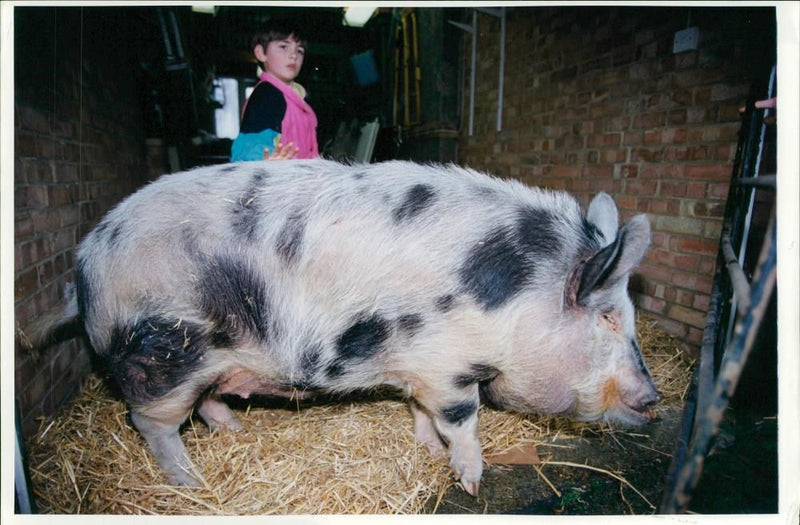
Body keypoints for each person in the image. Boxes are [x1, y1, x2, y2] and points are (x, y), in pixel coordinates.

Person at [231, 23, 319, 161]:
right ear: (261, 53)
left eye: (300, 50)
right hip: (278, 179)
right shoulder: (268, 94)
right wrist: (266, 160)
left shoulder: (299, 99)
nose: (294, 56)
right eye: (284, 47)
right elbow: (248, 146)